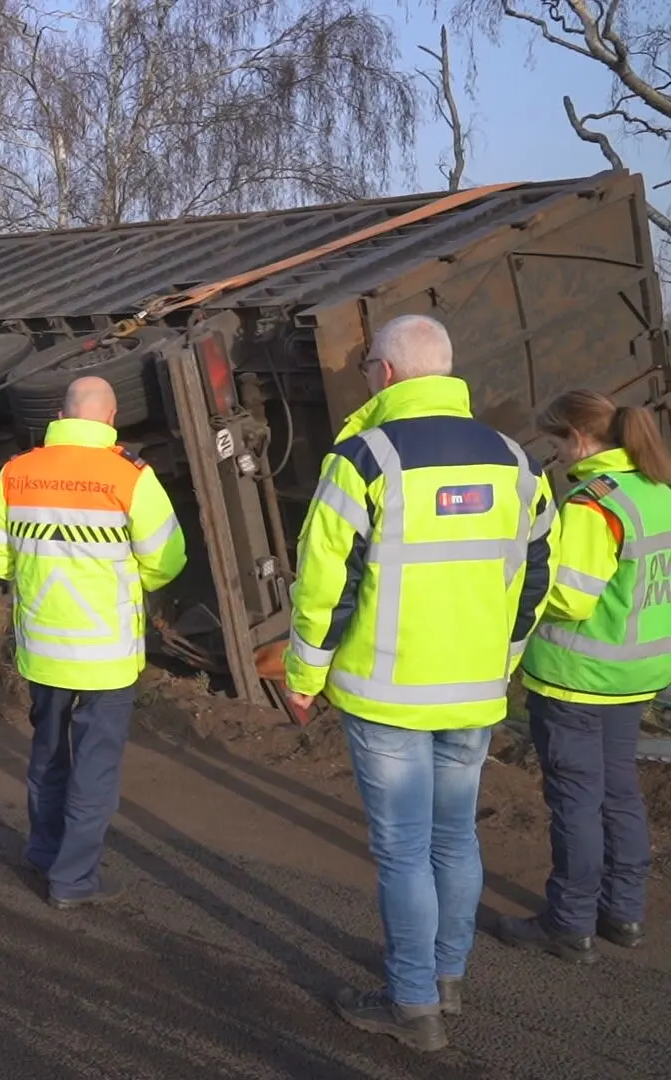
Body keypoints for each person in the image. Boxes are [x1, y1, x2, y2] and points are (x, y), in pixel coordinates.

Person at [283, 314, 552, 1053]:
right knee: (454, 837)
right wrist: (502, 664)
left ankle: (411, 1005)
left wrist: (303, 676)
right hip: (472, 690)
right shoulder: (515, 461)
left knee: (404, 849)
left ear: (390, 373)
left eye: (369, 366)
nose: (367, 376)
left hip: (387, 691)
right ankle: (447, 980)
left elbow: (320, 585)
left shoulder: (364, 458)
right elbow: (535, 581)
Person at [0, 374, 187, 910]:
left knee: (48, 755)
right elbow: (167, 561)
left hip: (43, 650)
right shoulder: (129, 477)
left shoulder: (17, 473)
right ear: (109, 420)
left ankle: (44, 852)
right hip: (106, 656)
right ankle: (72, 880)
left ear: (61, 415)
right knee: (94, 769)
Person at [493, 389, 669, 962]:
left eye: (557, 443)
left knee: (576, 799)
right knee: (619, 794)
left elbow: (570, 597)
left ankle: (570, 922)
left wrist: (519, 577)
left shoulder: (593, 504)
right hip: (635, 673)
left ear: (581, 438)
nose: (558, 457)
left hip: (577, 677)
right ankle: (625, 913)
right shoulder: (656, 490)